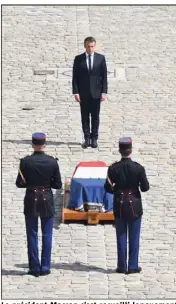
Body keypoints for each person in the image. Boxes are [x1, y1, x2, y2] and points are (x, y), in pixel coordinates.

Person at [16, 132, 62, 277]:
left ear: (32, 145)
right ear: (45, 144)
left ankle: (34, 267)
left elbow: (19, 183)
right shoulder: (52, 162)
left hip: (31, 198)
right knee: (47, 234)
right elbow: (57, 184)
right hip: (46, 198)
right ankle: (45, 266)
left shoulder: (25, 162)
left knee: (32, 233)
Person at [104, 137, 149, 274]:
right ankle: (133, 266)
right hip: (134, 204)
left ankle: (122, 266)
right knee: (134, 237)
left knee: (121, 236)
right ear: (131, 151)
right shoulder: (138, 168)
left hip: (119, 203)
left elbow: (108, 188)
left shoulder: (113, 168)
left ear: (120, 150)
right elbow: (145, 188)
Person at [72, 36, 108, 148]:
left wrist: (104, 92)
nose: (90, 48)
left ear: (94, 46)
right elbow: (75, 77)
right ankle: (87, 138)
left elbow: (104, 76)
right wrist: (76, 92)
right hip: (83, 93)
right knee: (85, 116)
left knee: (95, 116)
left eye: (92, 46)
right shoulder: (78, 59)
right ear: (85, 46)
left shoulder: (100, 58)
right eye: (88, 46)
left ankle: (94, 138)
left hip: (96, 92)